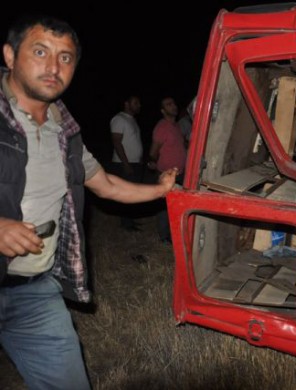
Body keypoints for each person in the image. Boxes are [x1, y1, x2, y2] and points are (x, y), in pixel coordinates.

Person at [0, 15, 178, 389]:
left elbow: (108, 185)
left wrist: (161, 190)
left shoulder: (66, 133)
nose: (53, 67)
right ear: (10, 56)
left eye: (65, 58)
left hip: (34, 291)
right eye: (40, 51)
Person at [148, 96, 187, 244]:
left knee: (178, 206)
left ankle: (176, 233)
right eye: (168, 105)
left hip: (180, 173)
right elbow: (153, 150)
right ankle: (164, 237)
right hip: (167, 174)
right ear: (163, 111)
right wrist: (152, 163)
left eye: (174, 103)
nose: (173, 106)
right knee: (164, 207)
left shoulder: (176, 126)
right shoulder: (162, 127)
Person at [109, 94, 144, 231]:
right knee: (126, 193)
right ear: (127, 104)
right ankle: (126, 223)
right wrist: (126, 163)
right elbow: (117, 142)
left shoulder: (132, 120)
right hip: (124, 164)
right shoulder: (119, 119)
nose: (138, 105)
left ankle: (130, 220)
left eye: (138, 103)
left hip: (135, 163)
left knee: (133, 193)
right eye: (135, 102)